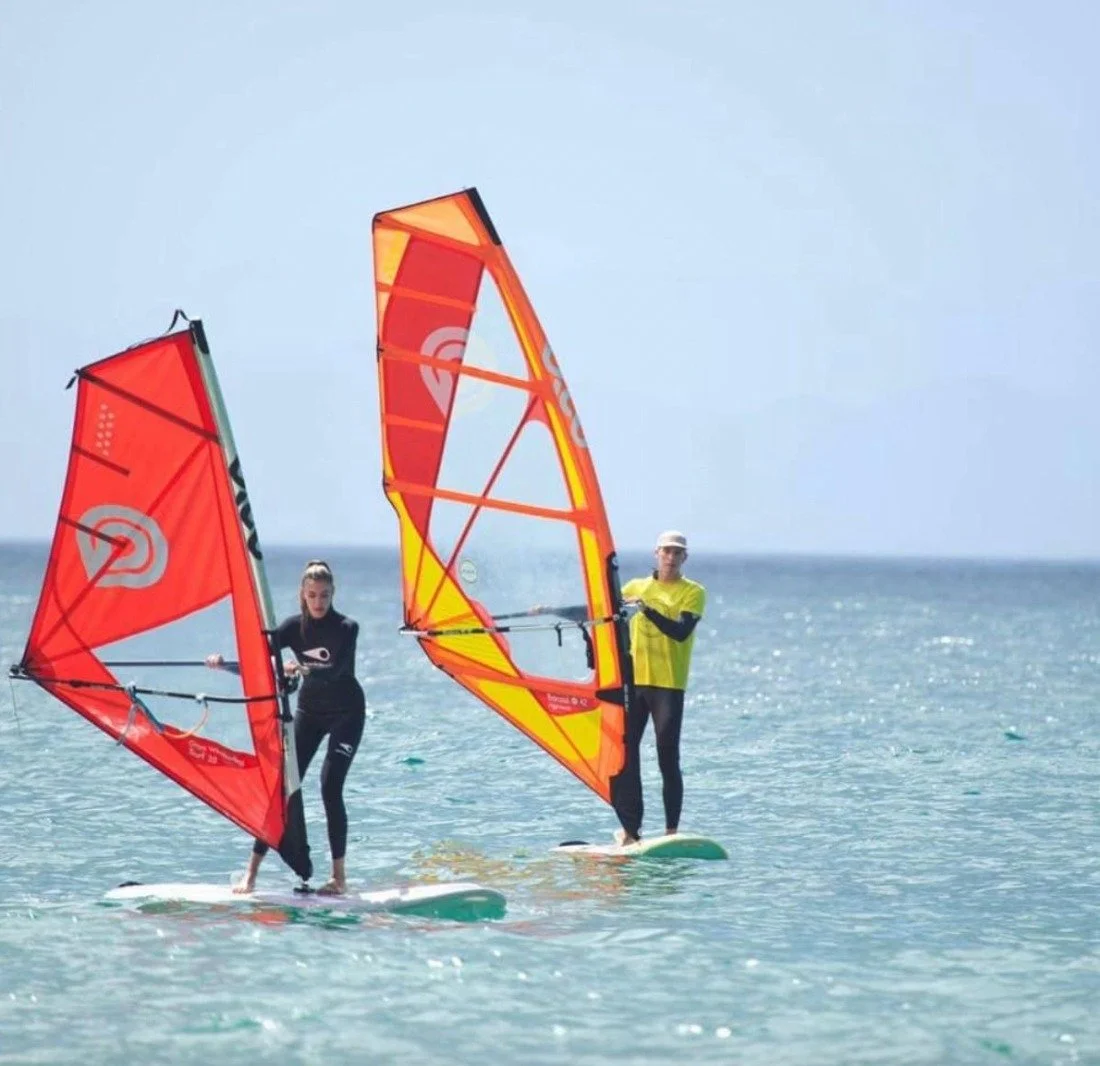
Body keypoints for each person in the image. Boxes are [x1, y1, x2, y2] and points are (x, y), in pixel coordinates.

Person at [206, 559, 365, 895]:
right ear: (302, 596)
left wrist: (301, 669)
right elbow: (258, 662)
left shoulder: (347, 628)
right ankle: (250, 875)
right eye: (312, 595)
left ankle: (339, 878)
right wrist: (225, 665)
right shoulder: (293, 628)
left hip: (347, 713)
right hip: (310, 711)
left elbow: (336, 670)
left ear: (333, 593)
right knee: (282, 788)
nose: (319, 602)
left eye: (324, 595)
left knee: (329, 785)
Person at [612, 530, 705, 845]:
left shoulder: (692, 593)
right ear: (656, 553)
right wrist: (551, 610)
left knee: (668, 757)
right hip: (635, 684)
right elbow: (603, 613)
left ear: (684, 558)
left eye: (677, 552)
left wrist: (647, 610)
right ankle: (630, 831)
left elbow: (680, 632)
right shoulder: (635, 588)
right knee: (626, 756)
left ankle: (670, 832)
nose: (671, 557)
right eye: (666, 551)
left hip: (668, 686)